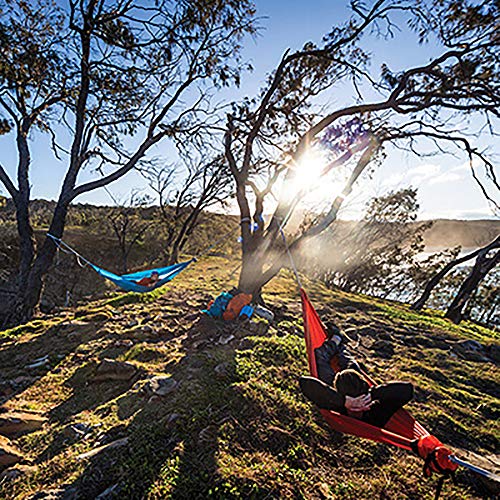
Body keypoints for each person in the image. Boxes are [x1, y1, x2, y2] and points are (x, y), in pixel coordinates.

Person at [300, 322, 413, 429]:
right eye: (356, 406)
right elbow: (304, 382)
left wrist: (371, 395)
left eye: (360, 405)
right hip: (342, 385)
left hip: (344, 384)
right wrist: (345, 401)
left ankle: (337, 340)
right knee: (346, 361)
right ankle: (339, 342)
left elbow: (407, 389)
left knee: (320, 356)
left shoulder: (375, 412)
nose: (358, 408)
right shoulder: (337, 402)